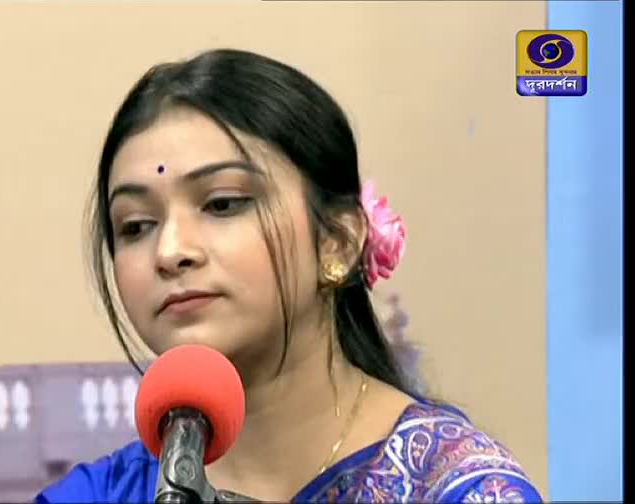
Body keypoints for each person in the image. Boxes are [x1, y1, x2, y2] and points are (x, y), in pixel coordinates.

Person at [35, 49, 543, 503]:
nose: (169, 252)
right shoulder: (100, 493)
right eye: (136, 226)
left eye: (222, 203)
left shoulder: (455, 488)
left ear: (338, 242)